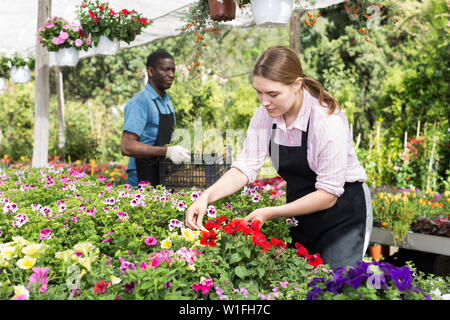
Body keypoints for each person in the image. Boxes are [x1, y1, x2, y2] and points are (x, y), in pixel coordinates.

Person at [185, 46, 373, 270]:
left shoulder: (325, 121)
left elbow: (328, 195)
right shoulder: (265, 115)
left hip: (342, 217)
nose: (264, 101)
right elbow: (244, 167)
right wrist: (206, 197)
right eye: (259, 92)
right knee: (300, 284)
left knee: (336, 288)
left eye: (273, 94)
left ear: (296, 84)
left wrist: (270, 212)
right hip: (300, 211)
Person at [121, 49, 190, 187]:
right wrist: (166, 151)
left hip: (161, 172)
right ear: (151, 72)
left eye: (173, 70)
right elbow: (127, 146)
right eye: (165, 70)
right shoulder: (140, 102)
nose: (171, 75)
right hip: (142, 173)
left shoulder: (167, 101)